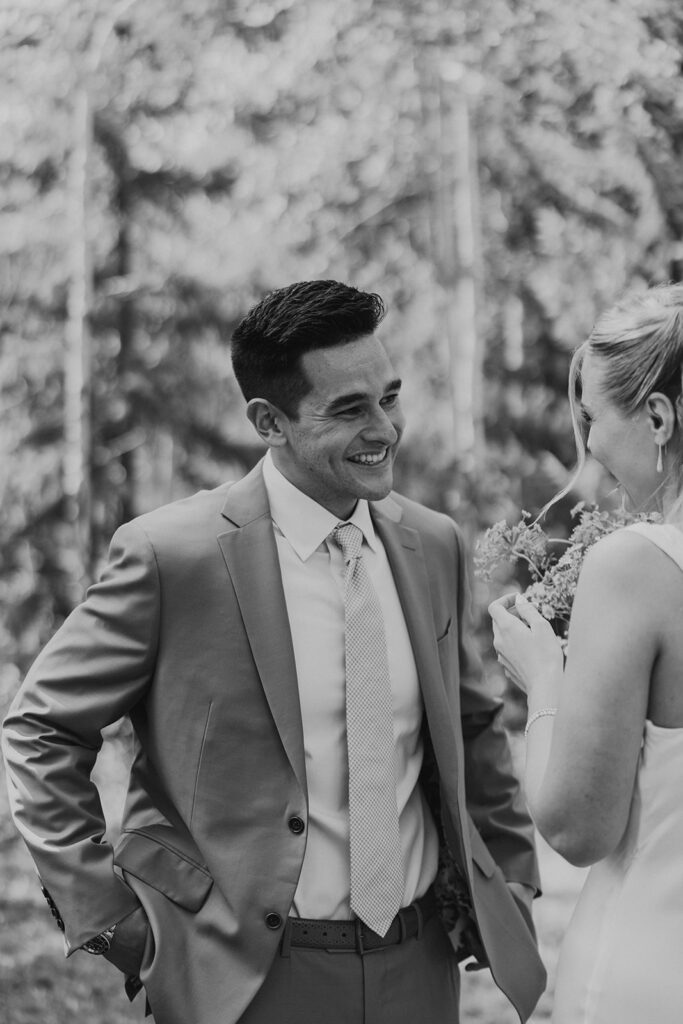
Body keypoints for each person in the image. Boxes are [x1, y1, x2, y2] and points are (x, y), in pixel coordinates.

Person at [3, 279, 545, 1024]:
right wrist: (107, 916)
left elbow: (474, 724)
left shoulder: (433, 543)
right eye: (349, 410)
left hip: (420, 972)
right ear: (269, 421)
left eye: (388, 398)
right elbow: (39, 728)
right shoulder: (171, 556)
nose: (384, 429)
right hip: (246, 984)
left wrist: (509, 874)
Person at [490, 282, 683, 1024]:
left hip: (650, 969)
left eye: (592, 421)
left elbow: (576, 826)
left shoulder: (636, 567)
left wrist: (545, 681)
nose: (591, 452)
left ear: (658, 417)